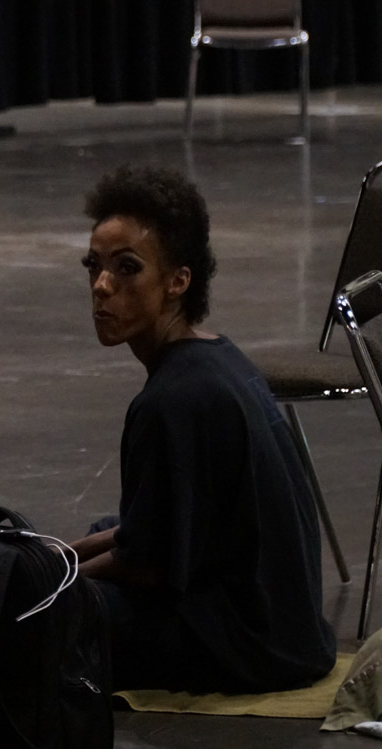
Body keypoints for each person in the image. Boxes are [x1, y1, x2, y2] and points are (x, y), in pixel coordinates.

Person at [70, 165, 335, 694]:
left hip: (253, 648)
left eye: (126, 268)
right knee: (108, 529)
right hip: (292, 632)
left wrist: (53, 582)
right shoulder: (217, 356)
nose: (102, 286)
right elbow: (151, 533)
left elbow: (146, 567)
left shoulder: (169, 401)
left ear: (178, 281)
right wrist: (61, 554)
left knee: (61, 612)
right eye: (94, 266)